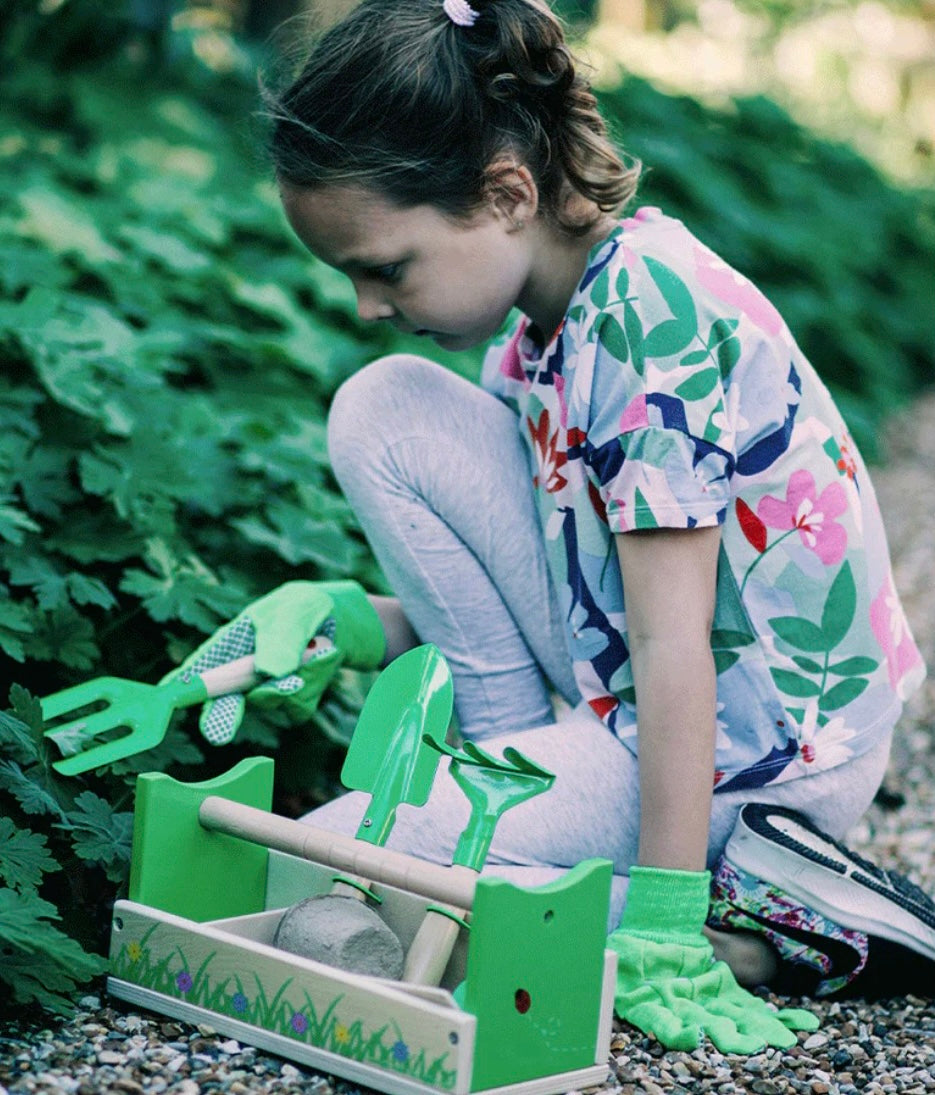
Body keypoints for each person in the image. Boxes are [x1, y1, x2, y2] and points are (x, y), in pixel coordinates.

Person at [173, 0, 934, 1054]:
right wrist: (350, 623)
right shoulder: (537, 332)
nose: (363, 303)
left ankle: (752, 917)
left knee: (336, 856)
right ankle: (538, 815)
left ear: (504, 193)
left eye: (384, 266)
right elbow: (572, 590)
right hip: (634, 704)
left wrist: (661, 924)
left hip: (751, 756)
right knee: (384, 405)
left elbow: (673, 648)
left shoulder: (647, 319)